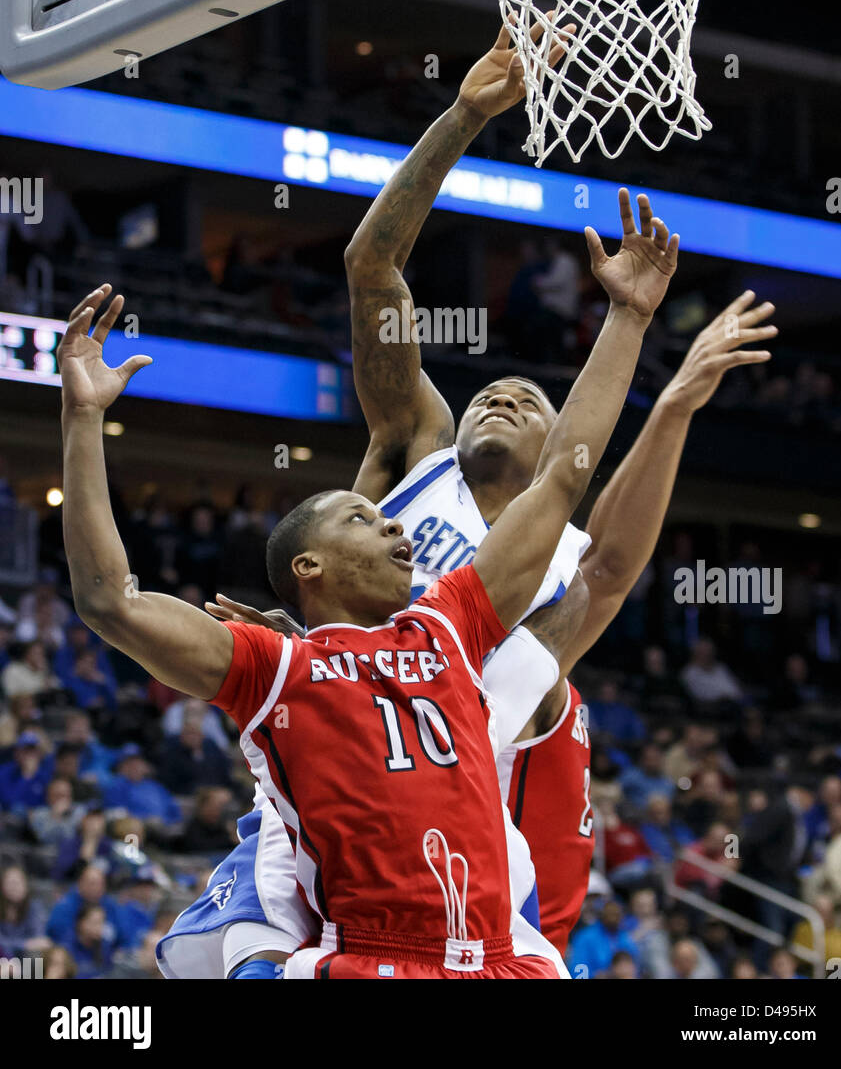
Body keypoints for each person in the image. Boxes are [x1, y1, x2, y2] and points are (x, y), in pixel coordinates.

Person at [58, 242, 669, 979]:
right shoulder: (276, 667)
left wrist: (628, 319)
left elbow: (563, 480)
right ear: (307, 567)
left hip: (498, 962)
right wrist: (82, 420)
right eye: (361, 518)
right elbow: (110, 601)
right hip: (366, 958)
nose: (392, 525)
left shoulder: (449, 622)